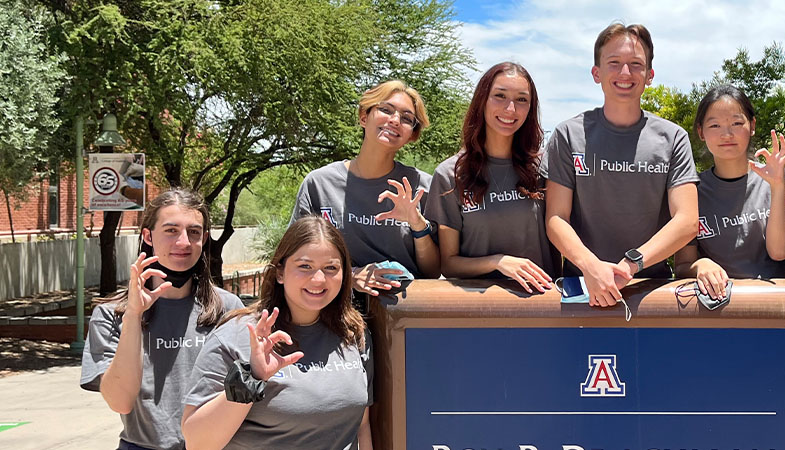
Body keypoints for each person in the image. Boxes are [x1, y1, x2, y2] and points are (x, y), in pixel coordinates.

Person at [181, 216, 373, 450]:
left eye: (331, 268)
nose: (319, 279)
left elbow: (361, 426)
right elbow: (197, 443)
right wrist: (253, 377)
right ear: (280, 273)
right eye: (305, 266)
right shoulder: (237, 335)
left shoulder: (354, 334)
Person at [545, 22, 699, 306]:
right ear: (596, 73)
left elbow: (687, 221)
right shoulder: (568, 134)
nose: (625, 73)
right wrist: (592, 267)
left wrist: (629, 267)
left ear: (650, 75)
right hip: (581, 289)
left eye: (636, 64)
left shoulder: (673, 138)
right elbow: (556, 218)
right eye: (614, 63)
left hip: (650, 290)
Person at [80, 188, 244, 450]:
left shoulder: (227, 309)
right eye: (171, 230)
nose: (183, 242)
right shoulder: (112, 314)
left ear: (203, 238)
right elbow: (120, 402)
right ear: (148, 236)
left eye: (193, 232)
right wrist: (134, 315)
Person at [291, 79, 440, 299]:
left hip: (404, 315)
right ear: (364, 117)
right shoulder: (319, 184)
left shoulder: (423, 187)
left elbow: (432, 272)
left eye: (407, 118)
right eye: (386, 110)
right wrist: (351, 276)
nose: (395, 120)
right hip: (334, 311)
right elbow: (295, 260)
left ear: (412, 135)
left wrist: (418, 225)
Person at [425, 62, 557, 293]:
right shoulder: (450, 175)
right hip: (480, 313)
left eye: (522, 100)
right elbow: (449, 263)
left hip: (543, 308)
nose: (510, 109)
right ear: (482, 100)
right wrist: (498, 262)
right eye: (500, 96)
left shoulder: (545, 168)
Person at [674, 85, 785, 295]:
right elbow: (682, 265)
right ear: (701, 132)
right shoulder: (691, 191)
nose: (727, 134)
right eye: (714, 125)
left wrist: (777, 187)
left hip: (776, 308)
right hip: (718, 308)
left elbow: (779, 252)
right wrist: (701, 266)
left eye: (736, 123)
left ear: (752, 126)